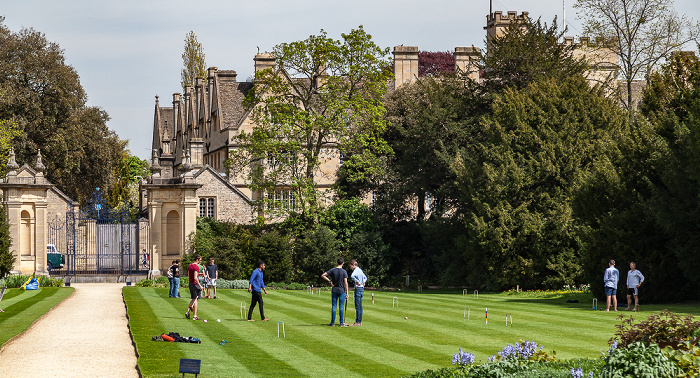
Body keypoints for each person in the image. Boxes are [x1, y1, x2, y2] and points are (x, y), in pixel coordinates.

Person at [321, 257, 349, 327]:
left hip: (334, 290)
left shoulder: (333, 270)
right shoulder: (344, 271)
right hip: (341, 290)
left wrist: (330, 281)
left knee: (334, 306)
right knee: (341, 307)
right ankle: (341, 323)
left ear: (337, 263)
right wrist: (347, 293)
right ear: (343, 263)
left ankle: (332, 322)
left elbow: (323, 275)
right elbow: (346, 283)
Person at [349, 259, 368, 326]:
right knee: (360, 306)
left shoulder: (356, 270)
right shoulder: (360, 270)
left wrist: (357, 281)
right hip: (362, 288)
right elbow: (365, 277)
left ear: (353, 265)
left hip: (358, 288)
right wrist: (364, 282)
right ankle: (359, 321)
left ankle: (358, 322)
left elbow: (352, 276)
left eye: (350, 266)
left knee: (357, 306)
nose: (350, 268)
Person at [186, 255, 203, 320]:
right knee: (196, 300)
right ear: (197, 260)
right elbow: (195, 277)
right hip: (195, 284)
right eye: (200, 260)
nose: (200, 262)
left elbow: (190, 274)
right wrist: (200, 285)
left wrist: (199, 274)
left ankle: (188, 311)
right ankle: (195, 316)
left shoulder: (190, 265)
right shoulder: (196, 267)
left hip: (190, 284)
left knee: (193, 298)